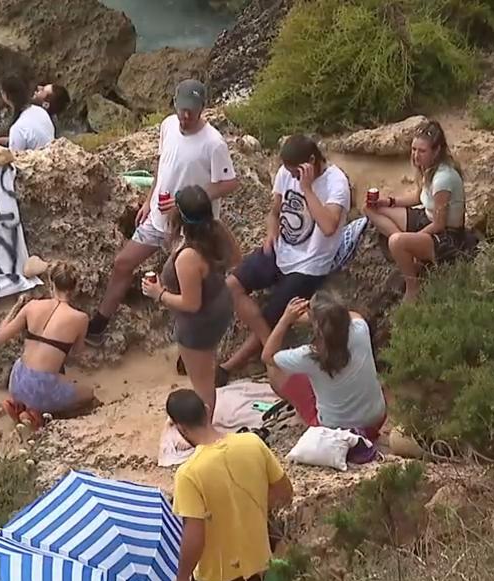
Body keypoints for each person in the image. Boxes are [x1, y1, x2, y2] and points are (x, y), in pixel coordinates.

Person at [86, 79, 239, 345]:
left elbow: (229, 183)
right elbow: (163, 163)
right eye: (182, 108)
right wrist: (149, 199)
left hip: (189, 226)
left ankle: (189, 344)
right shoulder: (168, 125)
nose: (186, 115)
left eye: (192, 109)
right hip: (158, 217)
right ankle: (98, 325)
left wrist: (190, 199)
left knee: (187, 286)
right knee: (123, 263)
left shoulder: (214, 143)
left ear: (203, 107)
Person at [220, 134, 349, 375]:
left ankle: (231, 366)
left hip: (311, 263)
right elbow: (274, 212)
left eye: (295, 171)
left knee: (273, 312)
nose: (290, 176)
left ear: (311, 161)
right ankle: (270, 349)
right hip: (282, 249)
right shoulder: (285, 173)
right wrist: (271, 232)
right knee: (231, 286)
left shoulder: (336, 182)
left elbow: (329, 226)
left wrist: (307, 189)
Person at [167, 389, 293, 581]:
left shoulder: (189, 473)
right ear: (206, 410)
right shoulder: (252, 443)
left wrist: (182, 579)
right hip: (259, 564)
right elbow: (284, 493)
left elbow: (195, 536)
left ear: (180, 429)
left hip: (217, 579)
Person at [141, 186, 240, 417]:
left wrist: (159, 294)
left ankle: (204, 427)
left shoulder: (188, 257)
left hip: (199, 322)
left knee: (203, 383)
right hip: (219, 304)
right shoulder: (217, 230)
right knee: (206, 368)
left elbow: (191, 304)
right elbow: (236, 258)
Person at [263, 292, 387, 462]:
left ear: (316, 326)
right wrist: (321, 318)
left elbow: (268, 356)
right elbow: (353, 315)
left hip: (335, 430)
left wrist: (286, 319)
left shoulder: (308, 356)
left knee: (275, 369)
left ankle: (303, 413)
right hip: (375, 419)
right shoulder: (360, 330)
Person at [364, 119, 468, 301]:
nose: (415, 156)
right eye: (413, 150)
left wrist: (414, 236)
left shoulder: (443, 178)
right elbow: (417, 197)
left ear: (436, 151)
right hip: (426, 217)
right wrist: (388, 202)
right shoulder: (426, 168)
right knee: (371, 209)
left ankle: (413, 286)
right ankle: (408, 253)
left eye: (422, 151)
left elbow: (439, 224)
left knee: (396, 242)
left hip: (446, 237)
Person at [0, 261, 95, 429]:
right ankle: (38, 416)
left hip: (17, 379)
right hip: (44, 386)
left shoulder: (31, 306)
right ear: (74, 287)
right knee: (88, 394)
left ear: (51, 283)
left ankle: (18, 405)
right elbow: (77, 353)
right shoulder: (80, 318)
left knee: (45, 377)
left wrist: (17, 306)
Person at [0, 75, 56, 153]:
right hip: (50, 154)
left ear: (6, 96)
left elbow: (15, 158)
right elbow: (25, 138)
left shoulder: (17, 128)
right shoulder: (40, 111)